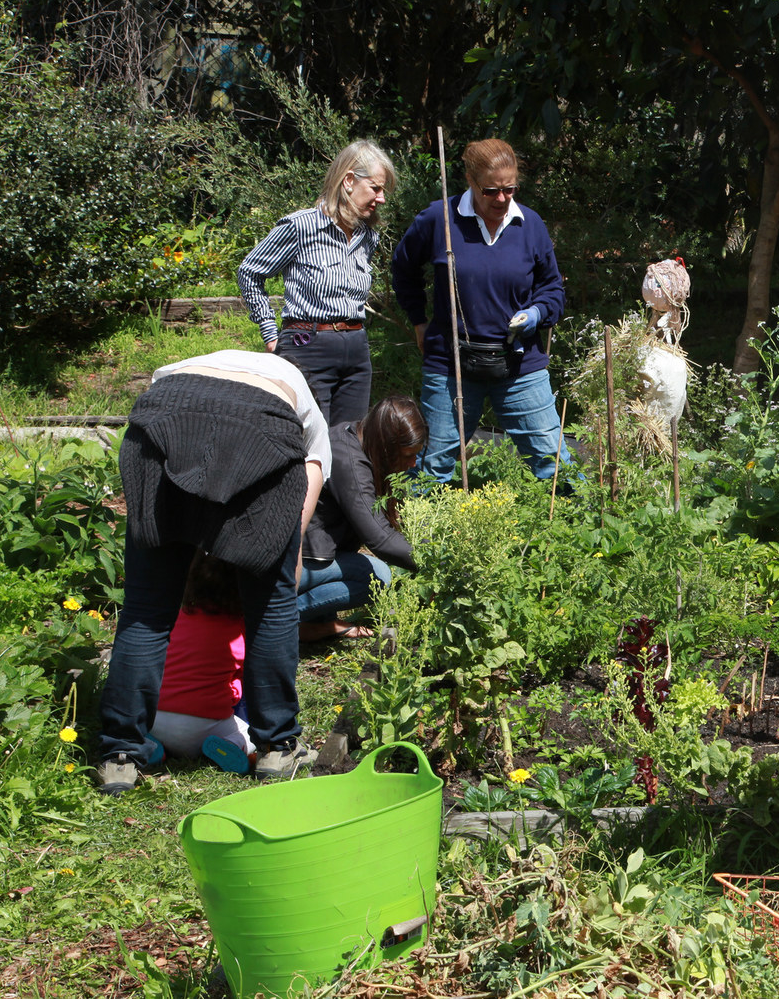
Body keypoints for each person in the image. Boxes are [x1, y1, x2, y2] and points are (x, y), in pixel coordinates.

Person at [97, 349, 331, 794]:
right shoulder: (308, 414)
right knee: (271, 605)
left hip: (161, 419)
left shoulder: (189, 365)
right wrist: (282, 566)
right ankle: (278, 748)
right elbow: (307, 489)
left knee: (147, 606)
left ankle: (121, 754)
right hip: (262, 428)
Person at [391, 138, 571, 484]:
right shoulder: (439, 219)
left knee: (554, 466)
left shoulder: (529, 224)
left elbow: (552, 289)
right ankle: (421, 537)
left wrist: (536, 314)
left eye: (510, 189)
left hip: (520, 365)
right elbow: (403, 268)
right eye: (491, 190)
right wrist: (418, 319)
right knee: (433, 467)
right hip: (451, 363)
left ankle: (569, 533)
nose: (502, 199)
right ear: (470, 180)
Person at [238, 140, 398, 425]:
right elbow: (250, 271)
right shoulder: (300, 227)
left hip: (357, 349)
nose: (382, 198)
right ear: (349, 181)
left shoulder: (367, 236)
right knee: (307, 439)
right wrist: (270, 332)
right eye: (376, 188)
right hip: (307, 346)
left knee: (348, 443)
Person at [298, 396, 426, 641]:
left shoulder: (358, 436)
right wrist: (436, 563)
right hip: (297, 559)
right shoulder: (348, 461)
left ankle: (313, 619)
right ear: (386, 446)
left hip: (313, 555)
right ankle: (280, 617)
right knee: (379, 577)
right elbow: (379, 538)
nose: (413, 463)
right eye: (408, 454)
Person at [148, 551, 255, 774]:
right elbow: (246, 681)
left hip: (155, 718)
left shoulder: (176, 617)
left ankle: (151, 745)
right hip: (204, 728)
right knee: (253, 731)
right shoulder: (240, 629)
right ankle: (233, 745)